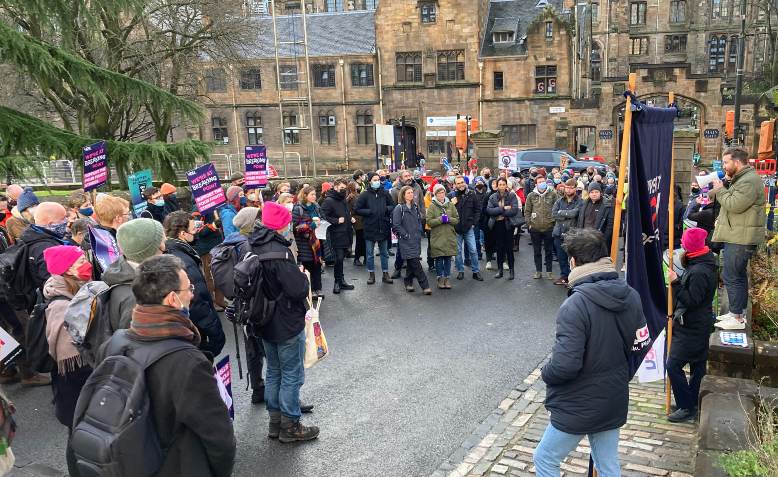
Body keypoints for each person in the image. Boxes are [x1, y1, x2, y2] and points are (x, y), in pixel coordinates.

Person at [90, 254, 236, 476]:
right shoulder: (187, 361)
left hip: (129, 458)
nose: (192, 293)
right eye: (188, 288)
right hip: (177, 464)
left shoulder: (115, 342)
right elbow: (217, 434)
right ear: (171, 299)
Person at [534, 229, 648, 477]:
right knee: (607, 465)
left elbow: (565, 365)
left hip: (578, 402)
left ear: (574, 261)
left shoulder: (575, 305)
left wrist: (546, 373)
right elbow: (640, 345)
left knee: (545, 458)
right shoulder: (631, 295)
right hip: (613, 396)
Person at [247, 202, 320, 443]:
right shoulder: (280, 252)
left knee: (274, 372)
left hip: (263, 318)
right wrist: (301, 276)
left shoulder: (254, 244)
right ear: (280, 225)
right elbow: (297, 289)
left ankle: (275, 422)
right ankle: (290, 425)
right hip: (285, 319)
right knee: (290, 373)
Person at [83, 218, 167, 365]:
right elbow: (137, 350)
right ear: (152, 248)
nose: (165, 247)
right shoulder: (136, 297)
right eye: (162, 242)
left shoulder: (122, 273)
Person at [41, 245, 94, 473]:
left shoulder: (77, 291)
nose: (86, 263)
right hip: (75, 382)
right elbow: (69, 359)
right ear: (67, 270)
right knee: (78, 433)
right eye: (80, 260)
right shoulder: (62, 305)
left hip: (79, 379)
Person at [709, 147, 766, 330]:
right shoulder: (742, 179)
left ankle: (737, 318)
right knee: (737, 275)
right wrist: (725, 185)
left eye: (726, 162)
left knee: (731, 276)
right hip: (738, 235)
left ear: (737, 162)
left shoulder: (749, 181)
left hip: (741, 238)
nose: (724, 166)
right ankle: (736, 313)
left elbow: (734, 205)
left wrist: (720, 190)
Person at [666, 227, 717, 423]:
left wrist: (676, 282)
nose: (681, 246)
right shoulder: (703, 262)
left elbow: (692, 300)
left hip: (692, 326)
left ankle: (686, 406)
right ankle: (692, 401)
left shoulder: (699, 271)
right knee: (697, 365)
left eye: (684, 244)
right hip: (699, 323)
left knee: (674, 365)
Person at [220, 207, 269, 404]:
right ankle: (277, 393)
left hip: (240, 303)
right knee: (269, 349)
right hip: (254, 302)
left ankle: (257, 387)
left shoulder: (230, 241)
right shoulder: (248, 245)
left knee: (252, 348)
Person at [163, 211, 226, 357]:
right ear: (182, 234)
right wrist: (216, 334)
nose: (196, 232)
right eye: (193, 230)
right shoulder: (183, 260)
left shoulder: (177, 251)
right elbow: (197, 300)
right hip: (198, 332)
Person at [354, 173, 395, 285]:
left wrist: (385, 209)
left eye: (378, 179)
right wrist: (369, 212)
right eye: (374, 180)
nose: (377, 181)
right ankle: (371, 274)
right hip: (370, 226)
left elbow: (393, 205)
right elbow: (357, 209)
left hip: (383, 226)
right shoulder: (365, 194)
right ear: (370, 181)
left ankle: (385, 274)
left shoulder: (385, 193)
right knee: (370, 254)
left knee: (384, 253)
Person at [393, 186, 431, 295]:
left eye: (412, 193)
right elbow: (396, 225)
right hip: (406, 241)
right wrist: (405, 235)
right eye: (408, 193)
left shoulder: (415, 206)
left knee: (411, 262)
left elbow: (419, 221)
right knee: (415, 262)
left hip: (416, 239)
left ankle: (408, 282)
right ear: (403, 195)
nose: (411, 195)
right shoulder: (399, 208)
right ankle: (425, 285)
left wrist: (419, 232)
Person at [390, 170, 426, 279]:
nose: (408, 177)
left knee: (416, 246)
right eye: (406, 176)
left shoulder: (417, 187)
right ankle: (398, 268)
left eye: (409, 175)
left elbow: (421, 203)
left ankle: (413, 269)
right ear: (400, 178)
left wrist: (422, 216)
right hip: (403, 223)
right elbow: (393, 207)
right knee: (402, 249)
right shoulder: (396, 190)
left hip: (416, 221)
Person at [321, 179, 355, 294]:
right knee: (338, 259)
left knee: (342, 259)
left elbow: (344, 214)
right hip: (336, 235)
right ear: (335, 187)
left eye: (345, 188)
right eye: (341, 188)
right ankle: (337, 282)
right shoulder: (328, 201)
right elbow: (324, 217)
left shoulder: (343, 200)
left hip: (346, 233)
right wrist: (336, 221)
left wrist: (350, 218)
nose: (343, 190)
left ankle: (341, 281)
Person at [449, 175, 483, 281]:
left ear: (465, 182)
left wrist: (474, 223)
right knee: (458, 252)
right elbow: (445, 212)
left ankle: (476, 271)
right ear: (455, 185)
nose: (460, 184)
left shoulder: (472, 194)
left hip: (469, 228)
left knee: (473, 250)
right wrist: (451, 204)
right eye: (458, 183)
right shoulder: (451, 195)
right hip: (456, 229)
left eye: (462, 182)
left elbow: (478, 210)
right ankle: (460, 271)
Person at [192, 211, 227, 311]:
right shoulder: (197, 213)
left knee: (219, 274)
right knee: (210, 277)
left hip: (218, 247)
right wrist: (213, 225)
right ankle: (212, 301)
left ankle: (220, 300)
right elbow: (199, 232)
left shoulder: (215, 209)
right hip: (207, 250)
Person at [293, 186, 324, 298]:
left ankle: (318, 289)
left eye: (315, 194)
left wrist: (322, 222)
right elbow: (296, 228)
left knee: (317, 265)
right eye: (312, 194)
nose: (314, 196)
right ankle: (309, 291)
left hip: (316, 240)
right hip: (304, 242)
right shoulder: (298, 208)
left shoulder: (316, 206)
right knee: (308, 266)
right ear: (305, 195)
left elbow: (322, 217)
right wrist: (311, 225)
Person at [426, 184, 459, 289]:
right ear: (435, 194)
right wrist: (440, 219)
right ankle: (440, 278)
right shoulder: (432, 206)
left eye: (443, 192)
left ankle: (447, 278)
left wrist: (449, 219)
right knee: (439, 258)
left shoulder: (450, 205)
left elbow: (457, 219)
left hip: (449, 236)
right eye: (439, 193)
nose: (441, 194)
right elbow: (429, 222)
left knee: (448, 258)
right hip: (437, 236)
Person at [551, 179, 583, 286]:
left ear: (575, 188)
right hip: (558, 233)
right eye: (567, 187)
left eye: (571, 187)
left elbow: (575, 213)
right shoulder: (559, 201)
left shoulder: (580, 202)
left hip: (572, 234)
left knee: (573, 258)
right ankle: (565, 277)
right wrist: (566, 214)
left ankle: (574, 278)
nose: (568, 190)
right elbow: (554, 214)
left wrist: (562, 213)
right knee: (561, 258)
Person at [486, 178, 519, 280]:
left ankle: (511, 271)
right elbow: (489, 210)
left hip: (508, 224)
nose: (501, 186)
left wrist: (501, 213)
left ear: (506, 185)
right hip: (497, 225)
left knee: (509, 248)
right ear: (497, 185)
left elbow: (514, 210)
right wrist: (503, 208)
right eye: (499, 184)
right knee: (499, 248)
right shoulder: (492, 197)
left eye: (503, 184)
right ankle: (500, 270)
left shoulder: (512, 195)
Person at [524, 179, 556, 279]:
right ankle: (538, 271)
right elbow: (527, 211)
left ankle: (549, 271)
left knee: (549, 251)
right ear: (536, 183)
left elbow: (556, 208)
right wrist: (529, 223)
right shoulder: (531, 195)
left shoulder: (552, 194)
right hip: (535, 228)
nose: (541, 183)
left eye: (543, 181)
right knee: (537, 251)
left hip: (549, 227)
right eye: (539, 182)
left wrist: (554, 222)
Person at [576, 182, 615, 250]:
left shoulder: (607, 205)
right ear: (589, 193)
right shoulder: (584, 204)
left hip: (598, 241)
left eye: (596, 192)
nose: (594, 194)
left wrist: (603, 240)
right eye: (592, 192)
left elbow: (610, 226)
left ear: (600, 193)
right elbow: (580, 221)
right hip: (584, 239)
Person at [346, 181, 366, 266]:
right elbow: (348, 209)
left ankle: (363, 257)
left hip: (361, 219)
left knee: (363, 240)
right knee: (360, 240)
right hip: (357, 220)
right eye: (356, 185)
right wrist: (351, 218)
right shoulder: (351, 197)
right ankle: (357, 258)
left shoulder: (357, 195)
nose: (358, 185)